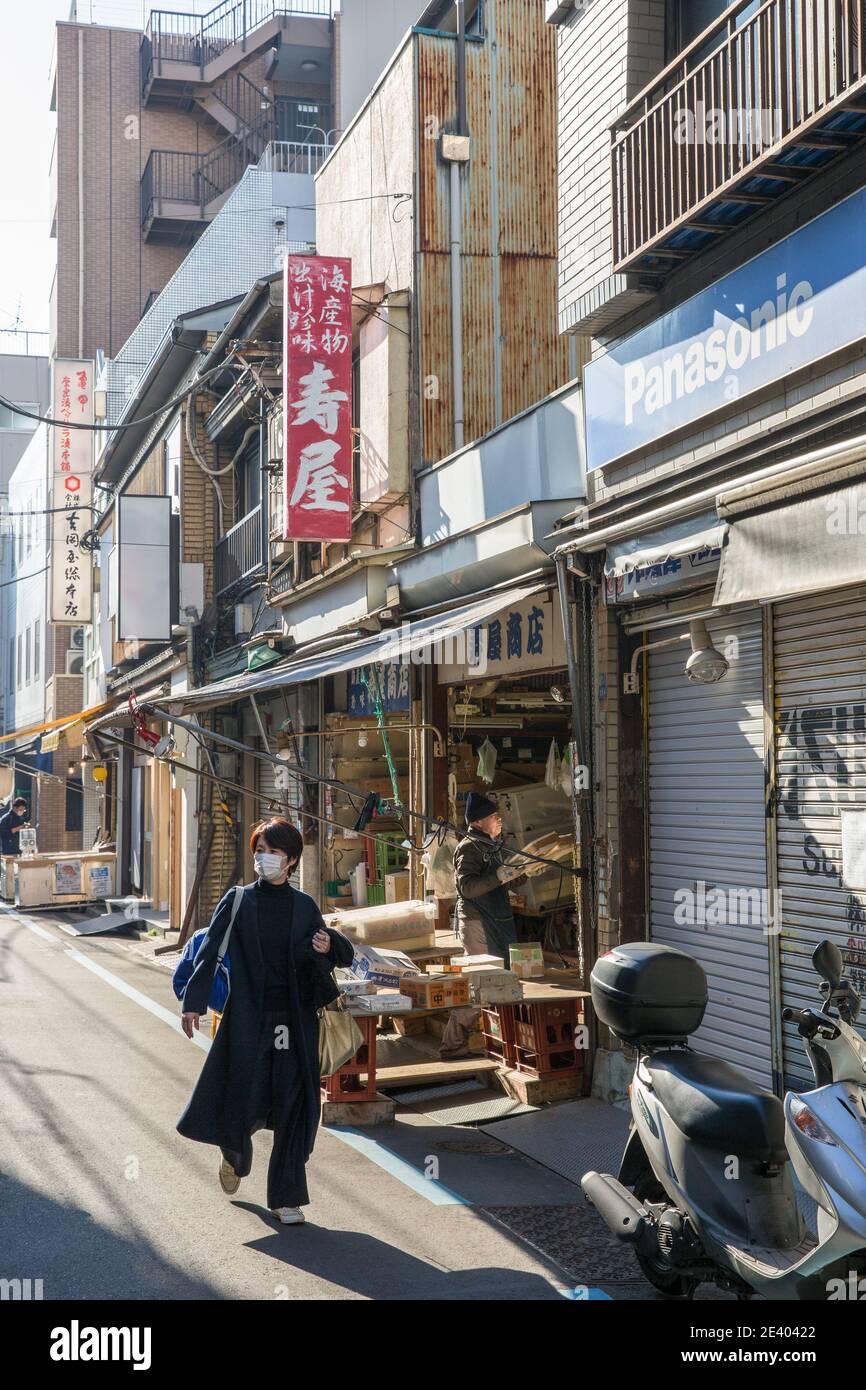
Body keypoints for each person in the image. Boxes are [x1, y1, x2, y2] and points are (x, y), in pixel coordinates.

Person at [177, 816, 354, 1226]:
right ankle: (235, 1154)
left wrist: (330, 945)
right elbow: (210, 951)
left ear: (291, 860)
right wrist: (194, 1003)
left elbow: (336, 953)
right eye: (259, 850)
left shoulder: (305, 906)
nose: (264, 858)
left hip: (295, 1020)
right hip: (247, 1019)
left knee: (295, 1106)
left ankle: (286, 1197)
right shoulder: (238, 900)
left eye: (273, 852)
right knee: (242, 1095)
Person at [439, 791, 542, 1061]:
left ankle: (498, 1041)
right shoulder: (470, 847)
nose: (499, 820)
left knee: (499, 982)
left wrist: (523, 872)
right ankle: (453, 1045)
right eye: (494, 816)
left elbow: (504, 878)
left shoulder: (491, 844)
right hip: (477, 921)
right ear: (479, 821)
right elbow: (468, 887)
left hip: (496, 919)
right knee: (482, 983)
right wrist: (500, 875)